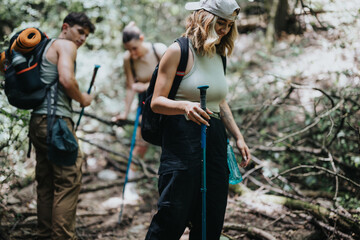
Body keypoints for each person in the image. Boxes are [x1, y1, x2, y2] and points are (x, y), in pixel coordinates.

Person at [145, 0, 251, 239]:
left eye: (229, 25)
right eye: (220, 23)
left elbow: (220, 102)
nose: (224, 30)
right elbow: (156, 101)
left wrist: (238, 136)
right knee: (173, 214)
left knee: (211, 215)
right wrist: (185, 106)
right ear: (204, 18)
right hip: (182, 139)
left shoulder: (219, 54)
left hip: (214, 139)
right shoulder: (178, 50)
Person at [28, 12, 95, 240]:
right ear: (66, 27)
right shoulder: (65, 46)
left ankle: (46, 234)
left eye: (86, 35)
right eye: (80, 31)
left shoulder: (43, 47)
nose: (82, 38)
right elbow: (66, 80)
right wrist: (83, 99)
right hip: (57, 122)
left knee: (46, 182)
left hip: (37, 122)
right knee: (68, 181)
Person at [113, 22, 167, 159]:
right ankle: (132, 176)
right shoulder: (128, 59)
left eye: (134, 48)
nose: (132, 53)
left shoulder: (159, 50)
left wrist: (146, 86)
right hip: (145, 102)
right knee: (140, 143)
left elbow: (170, 78)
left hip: (166, 98)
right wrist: (125, 113)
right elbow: (130, 87)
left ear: (141, 39)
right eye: (128, 49)